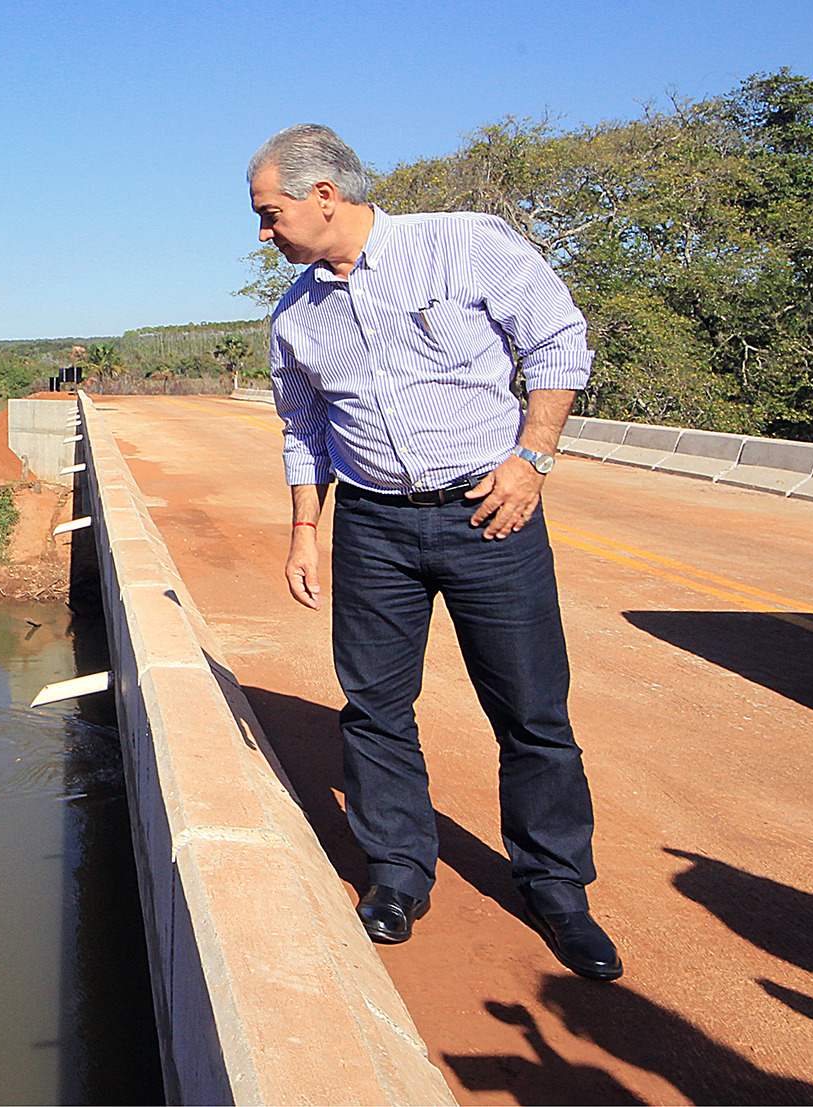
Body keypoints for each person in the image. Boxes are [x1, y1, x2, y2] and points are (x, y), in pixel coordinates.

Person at [248, 123, 622, 981]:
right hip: (375, 524)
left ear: (325, 197)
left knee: (531, 708)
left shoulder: (460, 244)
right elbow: (303, 424)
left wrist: (532, 458)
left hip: (488, 511)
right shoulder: (296, 312)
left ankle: (557, 887)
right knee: (375, 705)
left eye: (271, 214)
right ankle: (397, 873)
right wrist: (307, 529)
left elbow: (558, 340)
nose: (264, 233)